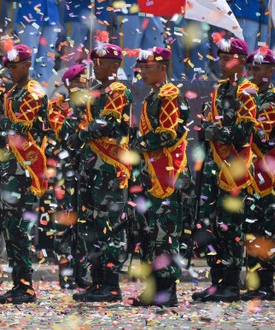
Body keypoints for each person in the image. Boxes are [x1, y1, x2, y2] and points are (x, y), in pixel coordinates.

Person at [192, 36, 257, 303]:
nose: (221, 62)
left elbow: (244, 131)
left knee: (230, 226)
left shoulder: (247, 91)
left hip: (234, 168)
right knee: (210, 225)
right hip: (212, 169)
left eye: (226, 58)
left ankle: (231, 283)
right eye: (219, 57)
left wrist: (212, 131)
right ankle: (216, 281)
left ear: (241, 62)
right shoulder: (218, 90)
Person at [72, 31, 132, 303]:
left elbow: (106, 124)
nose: (96, 64)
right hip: (91, 167)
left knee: (110, 226)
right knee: (92, 227)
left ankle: (111, 284)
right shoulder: (93, 91)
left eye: (102, 61)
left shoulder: (118, 90)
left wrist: (80, 134)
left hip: (109, 168)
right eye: (95, 60)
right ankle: (97, 281)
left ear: (115, 64)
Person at [128, 47, 190, 307]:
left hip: (167, 175)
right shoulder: (155, 95)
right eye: (141, 67)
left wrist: (137, 144)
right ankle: (154, 289)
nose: (142, 71)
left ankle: (166, 292)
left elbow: (168, 134)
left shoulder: (169, 95)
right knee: (151, 234)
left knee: (164, 235)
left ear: (163, 68)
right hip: (152, 175)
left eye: (148, 67)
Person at [0, 44, 48, 304]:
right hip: (10, 167)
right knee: (10, 229)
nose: (10, 72)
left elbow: (19, 129)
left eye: (14, 67)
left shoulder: (33, 92)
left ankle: (26, 288)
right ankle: (18, 285)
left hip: (25, 169)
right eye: (8, 68)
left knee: (20, 231)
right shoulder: (13, 91)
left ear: (27, 64)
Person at [243, 46, 275, 301]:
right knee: (251, 227)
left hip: (266, 174)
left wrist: (240, 122)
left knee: (263, 230)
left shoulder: (273, 100)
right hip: (252, 173)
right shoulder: (252, 95)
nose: (251, 72)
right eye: (249, 68)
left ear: (271, 71)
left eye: (257, 68)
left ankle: (266, 285)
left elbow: (259, 136)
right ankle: (253, 282)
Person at [47, 64, 90, 290]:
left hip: (88, 171)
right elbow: (64, 133)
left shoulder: (93, 105)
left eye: (85, 81)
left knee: (85, 224)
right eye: (79, 81)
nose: (84, 84)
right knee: (65, 225)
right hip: (66, 174)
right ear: (69, 84)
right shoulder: (58, 106)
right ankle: (66, 276)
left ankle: (83, 274)